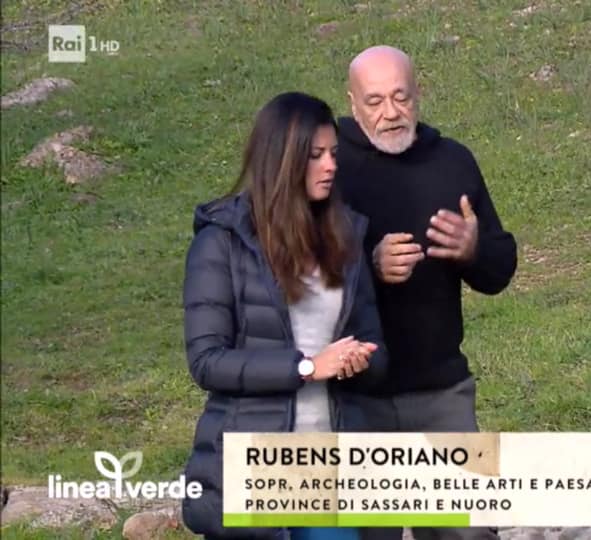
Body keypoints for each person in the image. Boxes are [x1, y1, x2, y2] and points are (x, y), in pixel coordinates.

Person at [180, 91, 388, 540]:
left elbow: (377, 350)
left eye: (333, 154)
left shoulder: (347, 236)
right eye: (315, 156)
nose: (330, 166)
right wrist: (308, 367)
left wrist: (360, 360)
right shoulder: (221, 242)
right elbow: (207, 361)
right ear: (281, 159)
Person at [334, 46, 517, 540]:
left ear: (419, 93)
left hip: (442, 393)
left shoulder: (452, 161)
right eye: (375, 101)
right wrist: (368, 265)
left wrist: (474, 250)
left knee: (468, 532)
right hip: (356, 400)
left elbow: (499, 271)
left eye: (401, 97)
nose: (391, 113)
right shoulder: (330, 169)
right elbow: (296, 277)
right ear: (352, 103)